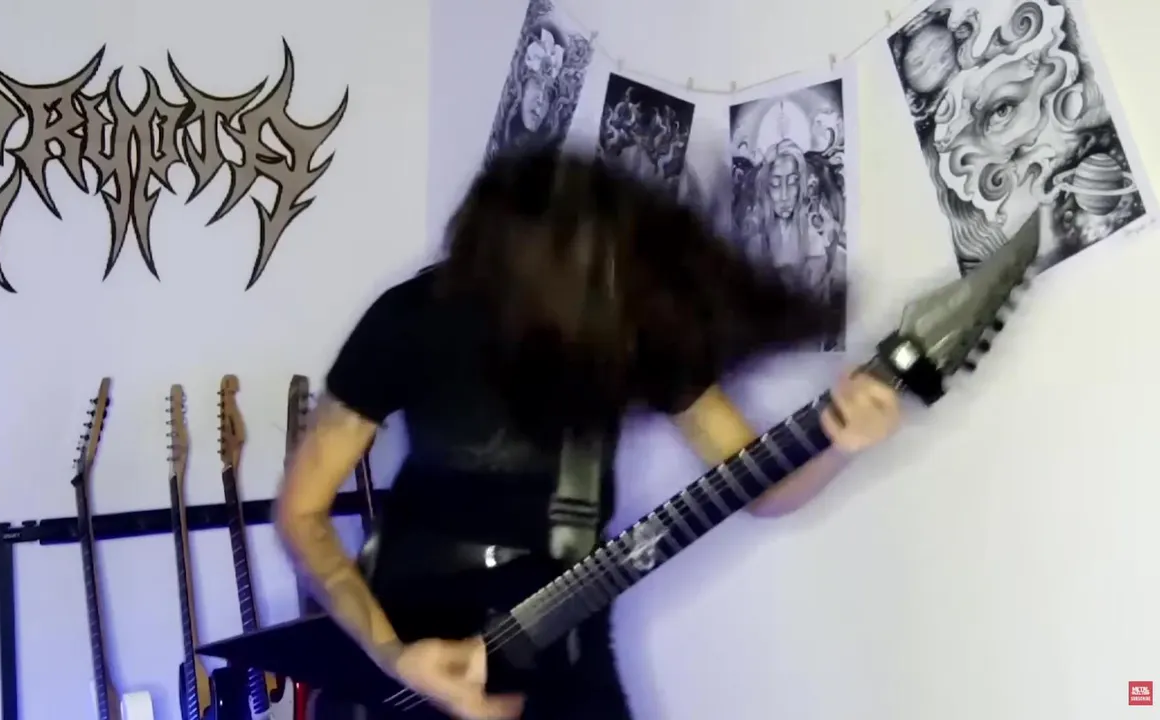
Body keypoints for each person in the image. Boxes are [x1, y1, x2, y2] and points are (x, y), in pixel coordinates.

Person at [276, 146, 902, 720]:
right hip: (416, 656)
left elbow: (759, 487)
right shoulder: (409, 319)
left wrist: (841, 445)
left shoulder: (622, 326)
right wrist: (391, 655)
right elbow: (301, 515)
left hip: (567, 653)